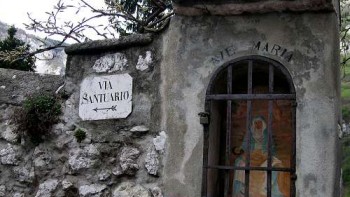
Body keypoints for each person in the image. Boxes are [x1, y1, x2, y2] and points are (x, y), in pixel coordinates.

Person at [232, 116, 285, 197]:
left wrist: (266, 154)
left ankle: (266, 189)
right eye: (256, 123)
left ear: (263, 123)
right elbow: (243, 147)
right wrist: (240, 150)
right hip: (252, 155)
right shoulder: (249, 134)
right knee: (239, 162)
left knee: (276, 164)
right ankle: (242, 189)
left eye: (259, 122)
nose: (257, 124)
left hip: (264, 155)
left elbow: (272, 148)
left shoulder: (267, 134)